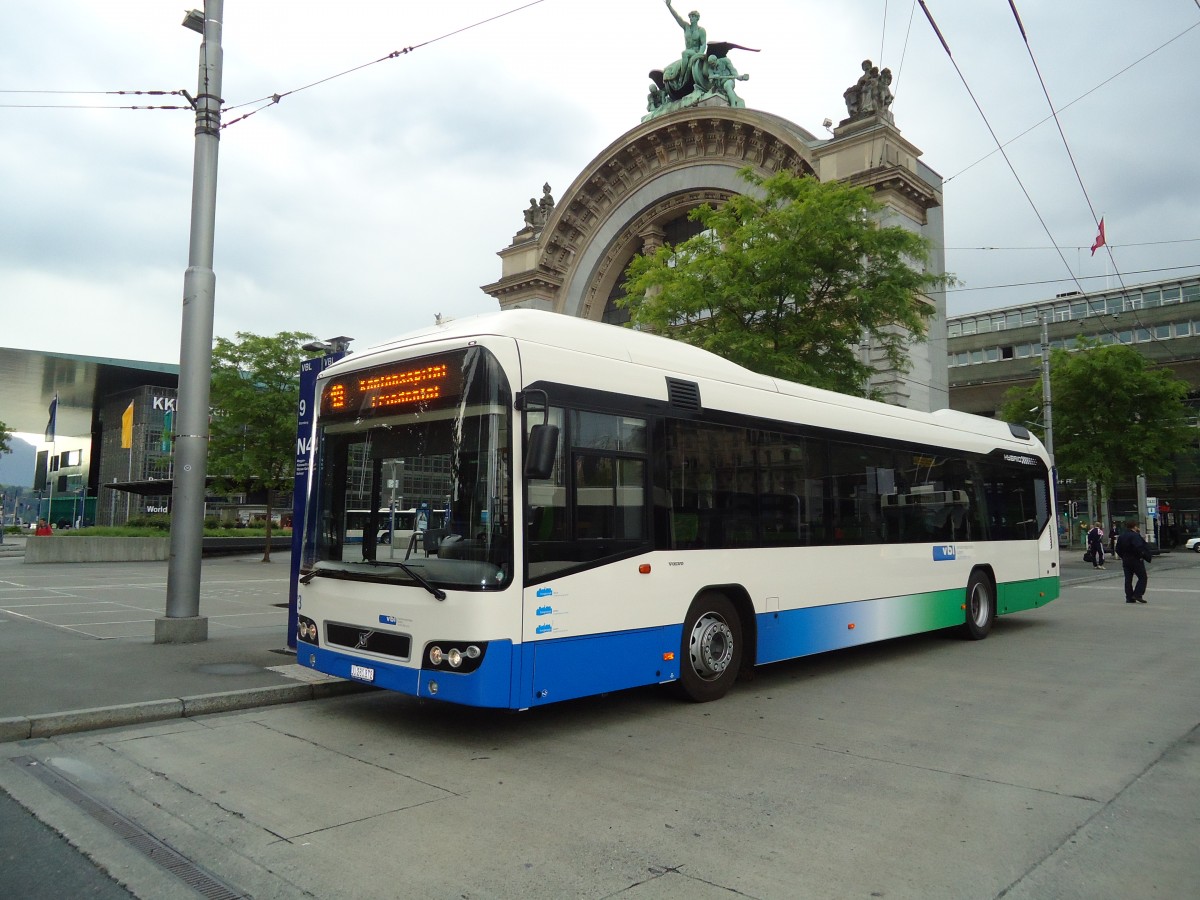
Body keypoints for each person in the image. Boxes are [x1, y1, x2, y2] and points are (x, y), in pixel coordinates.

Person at [1115, 519, 1151, 604]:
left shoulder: (1122, 536)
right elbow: (1138, 547)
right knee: (1142, 577)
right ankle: (1138, 594)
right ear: (1134, 526)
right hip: (1136, 559)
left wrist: (1123, 556)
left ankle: (1129, 597)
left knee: (1128, 579)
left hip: (1126, 560)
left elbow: (1117, 549)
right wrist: (1143, 555)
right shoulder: (1135, 536)